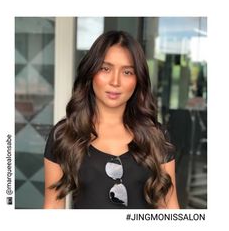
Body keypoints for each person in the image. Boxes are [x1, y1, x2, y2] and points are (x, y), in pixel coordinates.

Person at [43, 30, 179, 209]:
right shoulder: (65, 135)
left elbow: (169, 209)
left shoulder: (156, 136)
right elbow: (53, 207)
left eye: (127, 72)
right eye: (105, 69)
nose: (115, 81)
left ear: (138, 79)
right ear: (91, 72)